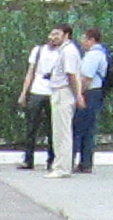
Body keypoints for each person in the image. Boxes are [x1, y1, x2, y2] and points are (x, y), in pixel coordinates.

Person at [22, 25, 82, 176]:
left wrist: (78, 95)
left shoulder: (69, 51)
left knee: (62, 133)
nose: (53, 37)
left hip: (62, 92)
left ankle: (62, 167)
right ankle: (60, 165)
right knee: (58, 132)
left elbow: (71, 75)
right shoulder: (62, 50)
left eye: (57, 34)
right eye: (52, 34)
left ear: (66, 35)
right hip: (55, 91)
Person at [75, 26, 110, 172]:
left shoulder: (93, 55)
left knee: (81, 127)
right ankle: (86, 162)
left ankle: (82, 161)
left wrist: (78, 94)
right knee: (88, 128)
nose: (82, 42)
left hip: (89, 92)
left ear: (91, 40)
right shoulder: (100, 53)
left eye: (84, 39)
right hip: (94, 92)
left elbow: (86, 78)